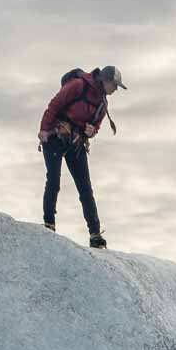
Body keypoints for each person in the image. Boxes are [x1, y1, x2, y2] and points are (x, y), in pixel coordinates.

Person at [38, 65, 126, 249]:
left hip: (76, 142)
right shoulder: (78, 85)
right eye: (115, 85)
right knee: (53, 180)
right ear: (105, 80)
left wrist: (92, 131)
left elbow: (96, 126)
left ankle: (95, 234)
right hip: (55, 136)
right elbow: (55, 104)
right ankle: (49, 225)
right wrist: (44, 130)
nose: (115, 89)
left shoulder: (103, 104)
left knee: (85, 188)